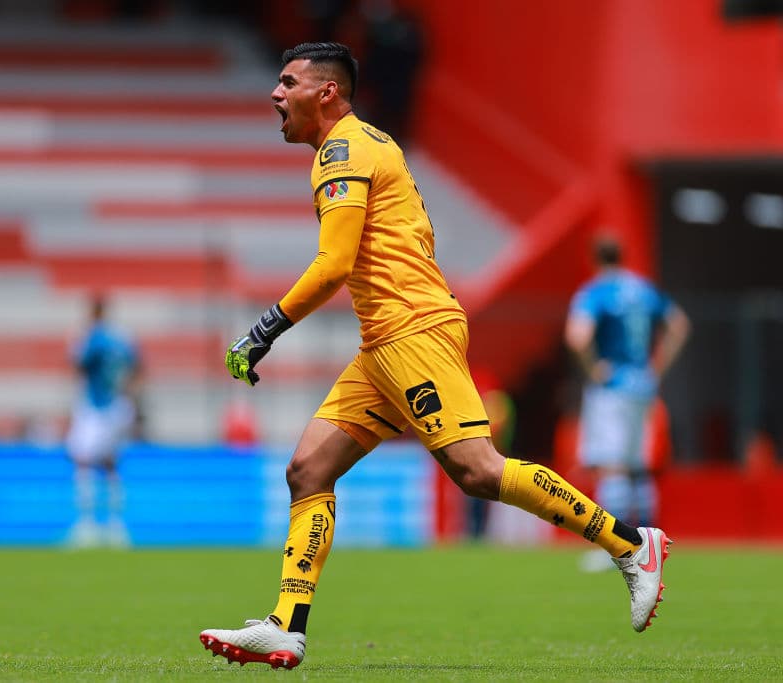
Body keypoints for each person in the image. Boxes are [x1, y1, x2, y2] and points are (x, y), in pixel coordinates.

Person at [198, 42, 673, 670]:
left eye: (288, 83)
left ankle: (631, 544)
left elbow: (334, 264)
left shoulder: (342, 151)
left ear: (327, 93)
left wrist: (263, 330)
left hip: (413, 331)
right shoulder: (366, 145)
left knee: (477, 471)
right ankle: (286, 625)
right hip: (384, 342)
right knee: (308, 471)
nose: (275, 95)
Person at [565, 236, 690, 572]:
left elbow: (576, 336)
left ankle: (617, 549)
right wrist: (657, 367)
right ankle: (652, 544)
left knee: (612, 464)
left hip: (612, 386)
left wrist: (593, 369)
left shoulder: (596, 292)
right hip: (642, 385)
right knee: (637, 465)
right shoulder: (644, 290)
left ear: (595, 259)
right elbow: (679, 325)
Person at [64, 296, 141, 547]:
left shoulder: (94, 339)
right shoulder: (121, 339)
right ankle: (116, 525)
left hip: (96, 408)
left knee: (83, 462)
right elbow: (136, 367)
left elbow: (78, 365)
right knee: (110, 464)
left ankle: (86, 525)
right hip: (118, 406)